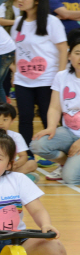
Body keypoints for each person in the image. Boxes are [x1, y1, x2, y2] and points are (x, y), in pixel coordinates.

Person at [12, 0, 68, 155]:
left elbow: (63, 49)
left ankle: (50, 153)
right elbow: (17, 50)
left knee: (48, 118)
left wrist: (60, 76)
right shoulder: (18, 23)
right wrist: (15, 71)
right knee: (25, 118)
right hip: (23, 81)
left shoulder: (52, 22)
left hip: (48, 80)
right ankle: (26, 156)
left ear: (37, 1)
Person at [30, 34, 80, 184]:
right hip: (69, 132)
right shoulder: (62, 76)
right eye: (77, 53)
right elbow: (54, 107)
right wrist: (51, 127)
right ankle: (66, 163)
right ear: (69, 55)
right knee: (38, 144)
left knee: (71, 179)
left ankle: (72, 167)